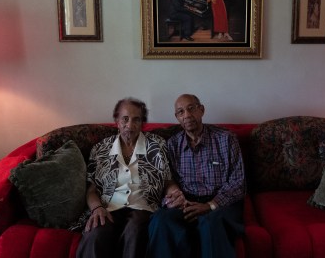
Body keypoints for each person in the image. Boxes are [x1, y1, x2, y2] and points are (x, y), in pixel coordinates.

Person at [147, 94, 246, 258]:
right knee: (161, 219)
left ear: (202, 110)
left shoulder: (226, 139)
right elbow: (168, 180)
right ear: (177, 117)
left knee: (210, 223)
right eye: (180, 112)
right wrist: (175, 200)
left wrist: (211, 205)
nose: (186, 115)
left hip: (220, 203)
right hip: (188, 203)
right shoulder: (172, 145)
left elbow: (238, 183)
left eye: (191, 108)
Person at [76, 97, 173, 258]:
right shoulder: (101, 149)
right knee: (96, 234)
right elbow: (91, 189)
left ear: (142, 122)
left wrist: (174, 193)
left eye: (136, 120)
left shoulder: (157, 145)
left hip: (142, 208)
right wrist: (97, 208)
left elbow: (168, 180)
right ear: (117, 121)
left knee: (135, 230)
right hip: (107, 208)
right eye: (125, 119)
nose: (130, 125)